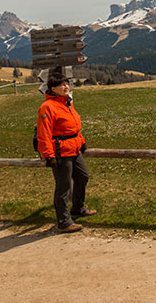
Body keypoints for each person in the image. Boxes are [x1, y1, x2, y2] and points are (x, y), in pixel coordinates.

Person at [36, 70, 97, 232]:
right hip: (61, 151)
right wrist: (49, 155)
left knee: (83, 177)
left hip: (74, 148)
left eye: (66, 84)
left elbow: (73, 127)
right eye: (61, 85)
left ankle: (78, 208)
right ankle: (63, 222)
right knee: (63, 187)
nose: (65, 87)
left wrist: (81, 141)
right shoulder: (47, 107)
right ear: (52, 89)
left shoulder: (67, 103)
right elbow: (44, 134)